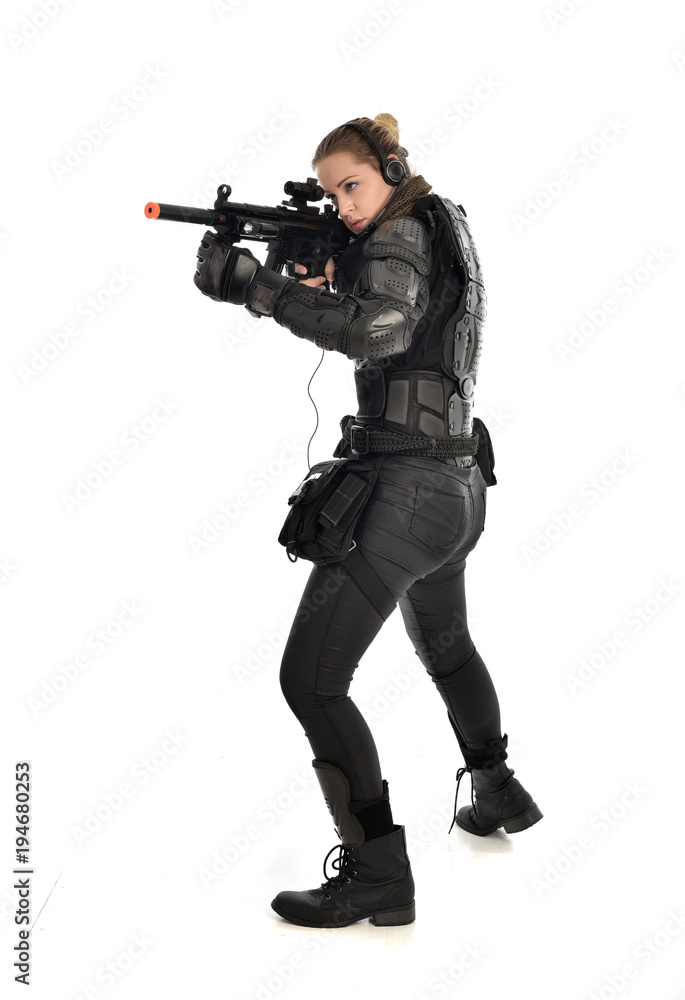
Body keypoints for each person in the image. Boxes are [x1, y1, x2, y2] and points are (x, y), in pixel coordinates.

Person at [193, 113, 542, 929]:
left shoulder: (399, 234)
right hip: (458, 487)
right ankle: (497, 792)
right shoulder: (438, 224)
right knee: (447, 648)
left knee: (309, 682)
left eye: (351, 185)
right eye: (329, 192)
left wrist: (258, 287)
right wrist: (299, 289)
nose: (342, 204)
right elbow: (400, 325)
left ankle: (377, 875)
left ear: (391, 169)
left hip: (408, 496)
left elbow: (378, 331)